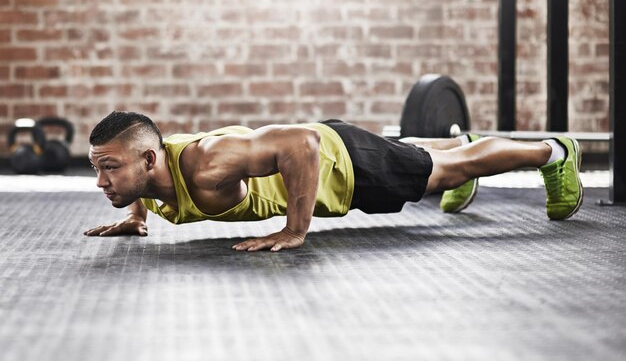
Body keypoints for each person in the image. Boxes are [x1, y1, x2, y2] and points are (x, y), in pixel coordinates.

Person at [84, 111, 584, 252]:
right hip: (345, 151)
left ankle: (553, 152)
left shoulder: (209, 164)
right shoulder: (148, 172)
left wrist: (295, 230)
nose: (102, 180)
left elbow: (301, 143)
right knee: (421, 157)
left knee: (445, 172)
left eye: (110, 168)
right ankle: (462, 145)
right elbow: (140, 177)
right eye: (98, 168)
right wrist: (134, 215)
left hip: (345, 165)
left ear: (148, 159)